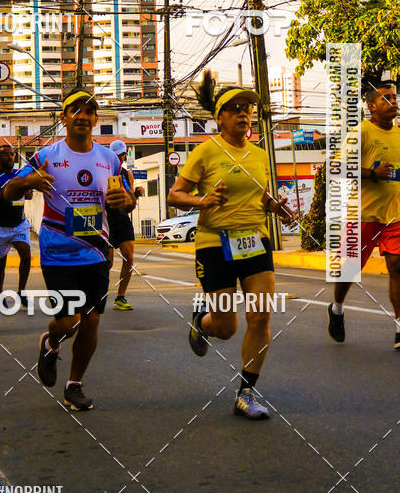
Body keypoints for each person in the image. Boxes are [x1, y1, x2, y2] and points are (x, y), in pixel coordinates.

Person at [167, 71, 294, 421]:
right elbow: (174, 194)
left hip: (255, 243)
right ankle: (202, 322)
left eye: (247, 109)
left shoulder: (259, 154)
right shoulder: (206, 152)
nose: (243, 114)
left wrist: (275, 207)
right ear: (219, 117)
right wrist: (202, 202)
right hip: (214, 245)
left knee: (261, 316)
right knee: (226, 327)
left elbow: (258, 195)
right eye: (235, 108)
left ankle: (247, 392)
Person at [4, 89, 135, 411]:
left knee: (91, 321)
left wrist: (126, 201)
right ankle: (51, 343)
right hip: (57, 251)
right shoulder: (46, 156)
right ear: (64, 118)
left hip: (96, 251)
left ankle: (74, 385)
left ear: (95, 119)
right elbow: (7, 191)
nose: (83, 116)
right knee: (69, 323)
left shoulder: (109, 160)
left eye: (89, 111)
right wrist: (29, 181)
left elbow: (126, 200)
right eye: (75, 110)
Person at [327, 82, 400, 350]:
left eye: (395, 97)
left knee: (398, 266)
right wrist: (372, 174)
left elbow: (391, 170)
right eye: (386, 98)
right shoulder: (361, 131)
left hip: (392, 214)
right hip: (361, 214)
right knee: (350, 270)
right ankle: (336, 309)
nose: (393, 102)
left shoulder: (399, 135)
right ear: (371, 106)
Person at [0, 144, 33, 307]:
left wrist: (28, 193)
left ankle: (21, 292)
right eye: (5, 155)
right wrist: (4, 195)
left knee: (26, 255)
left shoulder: (21, 175)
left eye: (12, 154)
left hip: (19, 224)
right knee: (1, 262)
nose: (10, 157)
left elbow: (29, 194)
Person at [106, 139, 143, 310]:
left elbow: (130, 202)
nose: (120, 158)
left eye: (122, 155)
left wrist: (135, 195)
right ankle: (95, 295)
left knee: (129, 257)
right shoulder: (101, 170)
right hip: (105, 218)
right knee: (108, 262)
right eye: (117, 155)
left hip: (120, 217)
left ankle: (120, 297)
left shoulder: (126, 174)